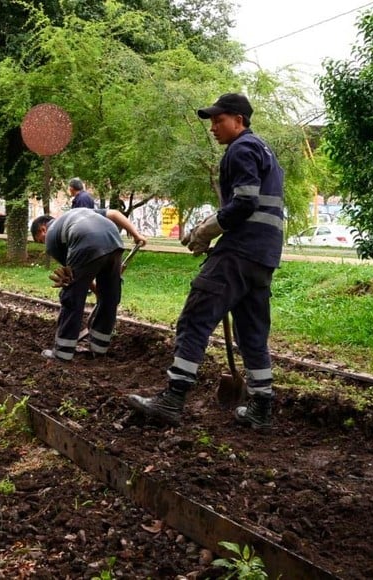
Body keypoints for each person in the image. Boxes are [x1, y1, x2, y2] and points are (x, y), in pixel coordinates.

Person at [126, 93, 285, 431]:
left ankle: (172, 399)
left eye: (219, 119)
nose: (212, 127)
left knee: (195, 319)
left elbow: (244, 203)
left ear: (239, 121)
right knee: (253, 335)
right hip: (264, 257)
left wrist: (206, 231)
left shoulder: (241, 149)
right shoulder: (266, 151)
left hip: (239, 253)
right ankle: (261, 407)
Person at [31, 209, 147, 361]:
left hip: (85, 240)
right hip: (113, 239)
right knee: (109, 297)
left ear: (43, 229)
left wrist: (83, 289)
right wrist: (136, 234)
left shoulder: (52, 237)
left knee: (71, 296)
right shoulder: (79, 213)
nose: (43, 244)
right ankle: (99, 348)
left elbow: (74, 276)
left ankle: (62, 353)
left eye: (40, 240)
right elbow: (114, 214)